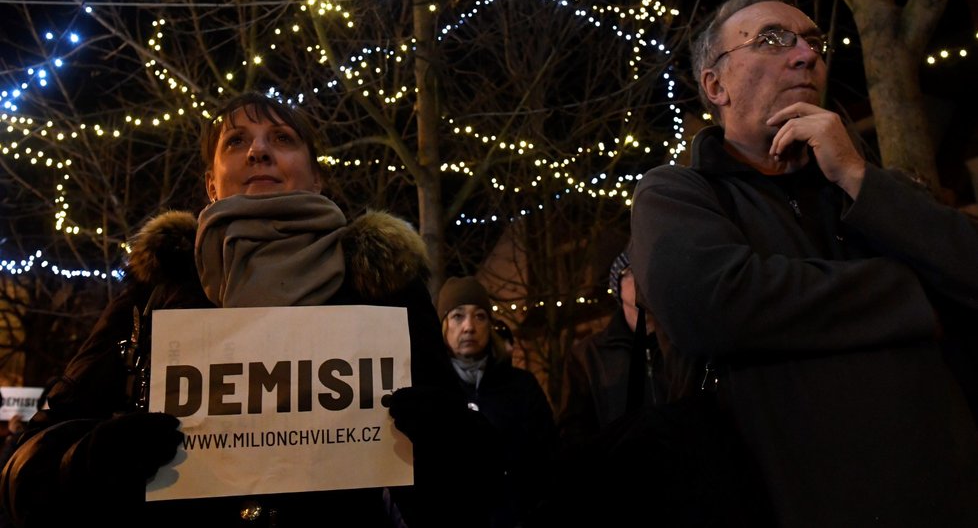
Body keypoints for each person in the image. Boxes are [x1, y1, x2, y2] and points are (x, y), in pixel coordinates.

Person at [0, 92, 456, 528]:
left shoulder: (383, 286)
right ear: (211, 184)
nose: (258, 151)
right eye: (236, 141)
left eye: (282, 138)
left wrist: (447, 448)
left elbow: (465, 498)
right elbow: (23, 470)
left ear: (317, 177)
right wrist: (86, 461)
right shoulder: (157, 288)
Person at [630, 0, 978, 527]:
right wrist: (914, 294)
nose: (805, 55)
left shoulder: (873, 189)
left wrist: (859, 177)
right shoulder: (677, 194)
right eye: (772, 40)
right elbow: (710, 304)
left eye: (813, 42)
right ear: (714, 85)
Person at [434, 276, 558, 528]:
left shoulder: (521, 386)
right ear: (444, 325)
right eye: (458, 316)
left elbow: (549, 458)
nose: (469, 326)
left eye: (480, 316)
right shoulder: (433, 391)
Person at [556, 250, 666, 441]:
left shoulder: (681, 345)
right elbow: (574, 433)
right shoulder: (588, 355)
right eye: (632, 271)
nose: (641, 280)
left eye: (646, 271)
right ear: (618, 286)